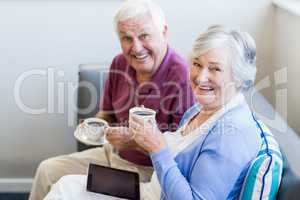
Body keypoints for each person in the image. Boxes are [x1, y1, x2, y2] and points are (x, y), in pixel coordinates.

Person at [44, 26, 282, 200]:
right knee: (65, 185)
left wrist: (157, 147)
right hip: (150, 190)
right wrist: (141, 141)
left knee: (64, 193)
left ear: (239, 78)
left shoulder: (232, 133)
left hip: (156, 195)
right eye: (197, 64)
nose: (201, 77)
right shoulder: (203, 109)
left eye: (215, 69)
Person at [29, 0, 195, 199]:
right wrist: (97, 126)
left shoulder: (183, 77)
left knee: (68, 188)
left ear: (164, 32)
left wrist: (133, 142)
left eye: (144, 36)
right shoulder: (119, 63)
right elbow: (106, 114)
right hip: (111, 155)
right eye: (126, 38)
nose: (136, 48)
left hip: (148, 174)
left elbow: (181, 150)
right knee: (47, 170)